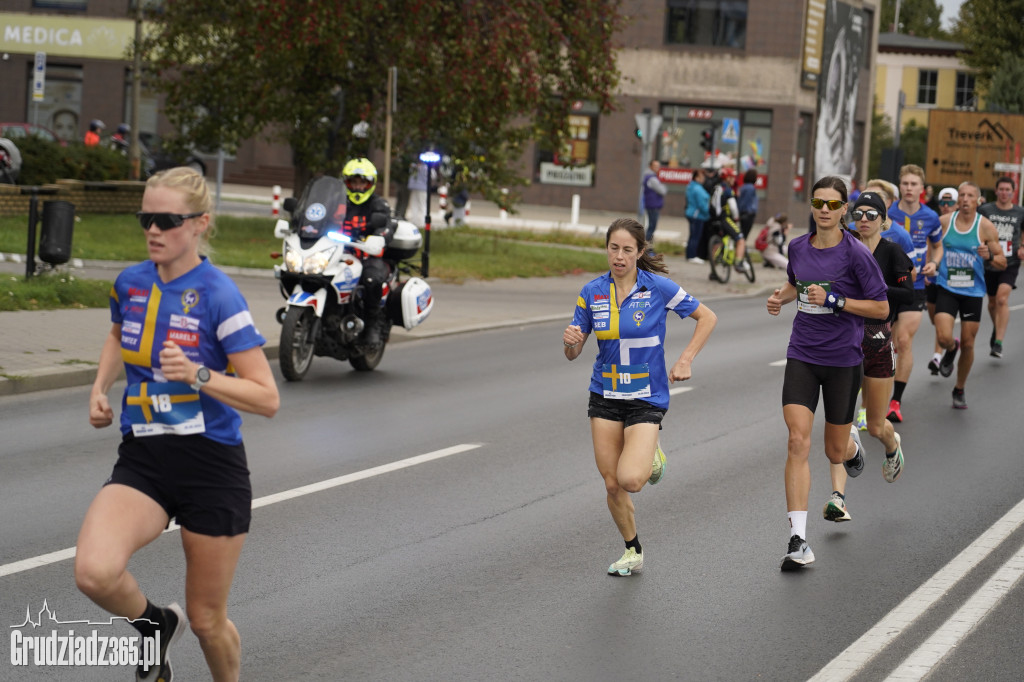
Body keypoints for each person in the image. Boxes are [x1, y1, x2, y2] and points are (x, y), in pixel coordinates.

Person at [74, 167, 280, 682]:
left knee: (209, 621)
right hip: (144, 458)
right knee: (94, 572)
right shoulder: (131, 281)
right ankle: (154, 625)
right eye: (146, 217)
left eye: (166, 219)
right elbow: (119, 334)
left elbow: (266, 397)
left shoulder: (219, 295)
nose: (153, 230)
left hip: (210, 467)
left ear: (199, 224)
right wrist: (99, 389)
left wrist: (199, 374)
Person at [563, 217, 717, 576]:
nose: (619, 256)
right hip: (605, 393)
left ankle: (650, 453)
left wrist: (685, 359)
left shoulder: (658, 287)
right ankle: (632, 549)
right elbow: (574, 352)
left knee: (632, 479)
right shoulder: (591, 293)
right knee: (613, 483)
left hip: (646, 396)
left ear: (640, 252)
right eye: (613, 248)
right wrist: (569, 343)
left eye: (627, 250)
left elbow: (706, 317)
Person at [765, 176, 888, 570]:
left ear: (843, 210)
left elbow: (881, 308)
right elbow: (795, 283)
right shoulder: (798, 246)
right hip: (802, 354)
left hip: (842, 361)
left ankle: (851, 448)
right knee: (797, 440)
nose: (824, 210)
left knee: (833, 450)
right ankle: (798, 539)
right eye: (819, 202)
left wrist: (836, 300)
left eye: (833, 205)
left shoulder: (856, 254)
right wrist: (779, 298)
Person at [824, 192, 913, 523]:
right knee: (839, 421)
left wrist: (874, 291)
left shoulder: (892, 252)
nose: (864, 218)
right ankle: (838, 497)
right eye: (859, 212)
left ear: (884, 221)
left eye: (872, 214)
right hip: (843, 339)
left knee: (875, 425)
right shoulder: (841, 249)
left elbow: (910, 293)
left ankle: (892, 447)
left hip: (877, 339)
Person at [930, 181, 1007, 409]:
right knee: (943, 337)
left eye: (969, 196)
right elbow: (931, 244)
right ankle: (951, 349)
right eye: (961, 195)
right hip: (947, 286)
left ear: (978, 200)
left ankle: (959, 388)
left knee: (969, 343)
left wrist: (989, 257)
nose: (964, 199)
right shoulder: (945, 222)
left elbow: (1003, 261)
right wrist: (931, 264)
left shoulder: (986, 227)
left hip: (973, 291)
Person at [883, 165, 943, 423]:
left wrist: (934, 263)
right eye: (905, 183)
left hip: (915, 287)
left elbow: (938, 246)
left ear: (922, 188)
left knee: (903, 341)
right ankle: (874, 392)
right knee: (883, 343)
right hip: (887, 287)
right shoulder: (888, 212)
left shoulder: (930, 216)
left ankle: (895, 401)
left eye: (913, 184)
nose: (908, 188)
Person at [340, 157, 396, 348]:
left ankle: (373, 324)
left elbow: (388, 225)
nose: (357, 187)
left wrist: (379, 237)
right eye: (353, 182)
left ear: (369, 184)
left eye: (361, 182)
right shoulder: (338, 202)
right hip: (338, 254)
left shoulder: (378, 204)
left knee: (371, 279)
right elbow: (320, 215)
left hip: (368, 257)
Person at [979, 176, 1024, 358]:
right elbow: (977, 229)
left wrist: (1022, 246)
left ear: (1013, 193)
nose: (1004, 193)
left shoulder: (1020, 212)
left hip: (1010, 262)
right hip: (990, 261)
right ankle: (997, 328)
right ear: (996, 191)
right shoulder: (985, 210)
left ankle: (998, 342)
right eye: (1001, 189)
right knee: (991, 303)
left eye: (1008, 190)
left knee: (1002, 299)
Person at [925, 187, 960, 373]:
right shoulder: (934, 222)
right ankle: (951, 343)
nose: (946, 206)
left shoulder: (962, 225)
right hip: (933, 276)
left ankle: (937, 357)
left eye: (950, 203)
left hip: (951, 281)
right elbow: (928, 247)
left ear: (957, 205)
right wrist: (927, 268)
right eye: (943, 203)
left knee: (941, 321)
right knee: (934, 319)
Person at [709, 166, 749, 277]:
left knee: (718, 243)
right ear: (727, 178)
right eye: (731, 177)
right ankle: (738, 263)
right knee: (740, 239)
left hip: (713, 219)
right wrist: (736, 219)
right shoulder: (727, 190)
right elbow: (733, 207)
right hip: (725, 218)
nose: (733, 180)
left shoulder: (716, 187)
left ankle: (713, 271)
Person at [685, 167, 710, 264]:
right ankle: (692, 255)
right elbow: (702, 204)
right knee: (695, 236)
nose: (703, 179)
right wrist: (708, 213)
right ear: (697, 178)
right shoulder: (697, 188)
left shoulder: (691, 186)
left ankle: (689, 254)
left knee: (692, 235)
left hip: (692, 213)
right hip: (697, 215)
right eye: (702, 177)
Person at [642, 160, 668, 244]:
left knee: (651, 226)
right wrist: (663, 187)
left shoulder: (649, 176)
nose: (657, 168)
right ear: (650, 166)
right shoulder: (652, 178)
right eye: (655, 166)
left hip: (651, 204)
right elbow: (662, 191)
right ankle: (645, 245)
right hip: (653, 205)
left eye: (658, 166)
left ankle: (646, 245)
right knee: (652, 226)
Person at [737, 167, 759, 246]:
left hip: (744, 213)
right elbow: (746, 201)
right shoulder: (750, 188)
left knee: (742, 234)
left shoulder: (744, 187)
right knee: (743, 237)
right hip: (748, 214)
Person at [406, 161, 429, 228]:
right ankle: (421, 222)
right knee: (422, 205)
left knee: (414, 205)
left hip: (414, 187)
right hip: (422, 188)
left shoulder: (413, 166)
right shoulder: (425, 168)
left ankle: (414, 221)